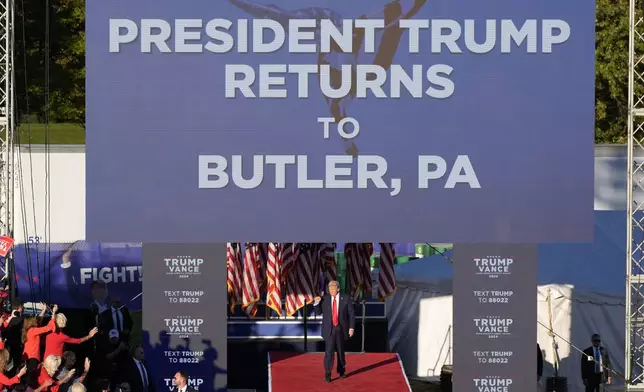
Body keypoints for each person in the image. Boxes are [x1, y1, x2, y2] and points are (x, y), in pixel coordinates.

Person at [313, 280, 355, 382]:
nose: (331, 290)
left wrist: (351, 328)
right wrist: (316, 303)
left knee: (341, 352)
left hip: (341, 329)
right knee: (329, 352)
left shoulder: (345, 298)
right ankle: (328, 373)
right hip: (329, 330)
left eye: (333, 288)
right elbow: (318, 312)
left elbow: (351, 314)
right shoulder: (325, 299)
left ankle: (341, 371)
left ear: (338, 289)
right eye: (330, 288)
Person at [22, 304, 57, 384]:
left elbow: (38, 321)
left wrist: (43, 310)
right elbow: (48, 328)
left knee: (27, 377)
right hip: (32, 358)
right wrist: (53, 314)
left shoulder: (28, 329)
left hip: (27, 357)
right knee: (32, 379)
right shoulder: (33, 330)